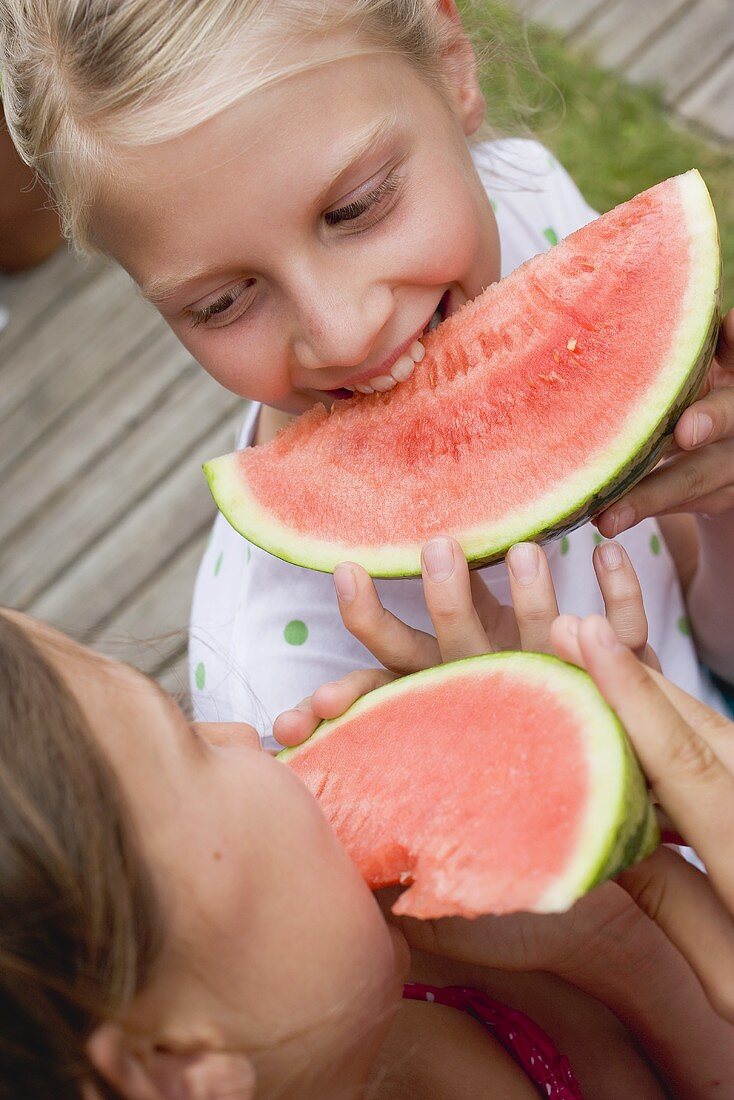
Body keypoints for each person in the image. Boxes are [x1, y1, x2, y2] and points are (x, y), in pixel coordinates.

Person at [1, 0, 732, 743]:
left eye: (357, 209)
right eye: (222, 302)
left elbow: (694, 615)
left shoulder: (528, 202)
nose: (341, 334)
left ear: (451, 66)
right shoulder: (284, 684)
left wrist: (723, 509)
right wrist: (534, 737)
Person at [3, 575, 734, 1099]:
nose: (234, 730)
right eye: (189, 746)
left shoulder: (394, 1003)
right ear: (171, 1066)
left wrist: (614, 943)